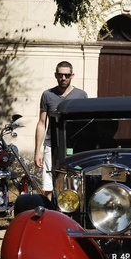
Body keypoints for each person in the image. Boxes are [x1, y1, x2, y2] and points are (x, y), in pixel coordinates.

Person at [34, 61, 88, 198]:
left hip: (73, 146)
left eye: (67, 75)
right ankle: (50, 214)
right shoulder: (47, 95)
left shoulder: (81, 95)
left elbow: (85, 124)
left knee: (74, 182)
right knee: (48, 185)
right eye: (60, 75)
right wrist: (37, 151)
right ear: (56, 75)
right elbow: (41, 123)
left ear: (72, 75)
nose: (63, 78)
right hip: (51, 145)